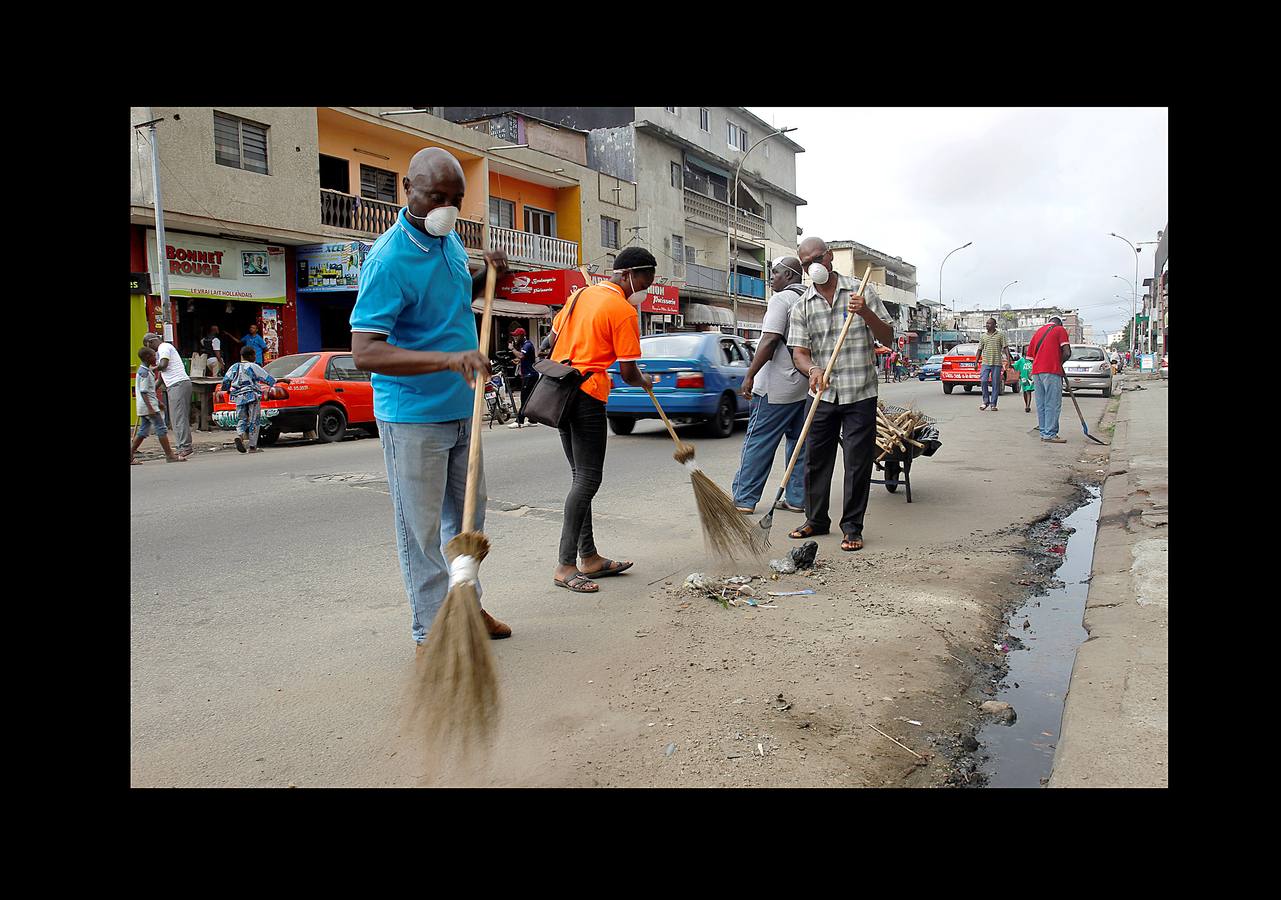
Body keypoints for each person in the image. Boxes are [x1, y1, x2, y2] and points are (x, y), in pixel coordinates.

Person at [349, 147, 511, 644]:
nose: (446, 208)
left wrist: (487, 276)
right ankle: (431, 633)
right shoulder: (388, 260)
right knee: (420, 535)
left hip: (464, 408)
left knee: (465, 525)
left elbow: (449, 305)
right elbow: (365, 352)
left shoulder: (449, 243)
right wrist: (447, 361)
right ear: (408, 189)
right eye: (436, 197)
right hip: (413, 416)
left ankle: (466, 606)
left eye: (455, 199)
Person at [547, 246, 656, 593]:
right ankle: (565, 565)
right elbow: (627, 372)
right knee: (588, 480)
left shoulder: (580, 297)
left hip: (560, 390)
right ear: (626, 274)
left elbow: (551, 339)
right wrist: (645, 381)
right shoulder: (622, 310)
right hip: (586, 394)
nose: (646, 290)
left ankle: (589, 557)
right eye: (645, 281)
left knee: (580, 477)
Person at [787, 237, 893, 552]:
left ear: (830, 257)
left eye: (817, 258)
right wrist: (812, 371)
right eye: (806, 264)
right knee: (815, 460)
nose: (813, 266)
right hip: (823, 392)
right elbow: (800, 353)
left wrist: (865, 315)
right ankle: (816, 520)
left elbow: (888, 335)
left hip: (859, 390)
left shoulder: (861, 292)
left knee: (857, 462)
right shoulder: (802, 305)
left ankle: (852, 528)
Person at [731, 256, 809, 514]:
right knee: (799, 442)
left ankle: (744, 498)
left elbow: (770, 339)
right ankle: (797, 499)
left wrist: (750, 375)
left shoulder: (782, 300)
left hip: (776, 387)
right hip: (805, 386)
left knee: (759, 441)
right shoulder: (811, 299)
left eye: (774, 273)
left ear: (788, 275)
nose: (771, 278)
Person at [131, 347, 186, 465]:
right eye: (153, 356)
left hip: (146, 406)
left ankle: (130, 455)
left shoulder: (145, 370)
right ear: (147, 358)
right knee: (161, 428)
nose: (155, 357)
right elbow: (144, 392)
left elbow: (148, 391)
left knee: (143, 431)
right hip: (148, 407)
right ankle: (169, 455)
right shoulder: (145, 373)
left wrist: (158, 402)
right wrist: (151, 407)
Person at [144, 332, 193, 459]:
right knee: (176, 417)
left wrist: (149, 368)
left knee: (179, 417)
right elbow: (162, 377)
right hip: (175, 385)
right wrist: (151, 388)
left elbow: (163, 365)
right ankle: (182, 446)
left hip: (178, 384)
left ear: (150, 342)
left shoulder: (163, 347)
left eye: (147, 347)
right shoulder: (163, 349)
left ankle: (185, 447)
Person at [220, 346, 277, 453]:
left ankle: (240, 435)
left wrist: (227, 390)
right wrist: (281, 380)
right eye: (254, 355)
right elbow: (267, 379)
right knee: (254, 420)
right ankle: (252, 446)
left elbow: (226, 381)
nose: (255, 357)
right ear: (251, 356)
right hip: (252, 396)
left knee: (242, 419)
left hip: (238, 397)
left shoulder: (234, 366)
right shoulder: (253, 366)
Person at [1026, 315, 1073, 443]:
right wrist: (1059, 363)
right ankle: (1050, 434)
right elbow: (1067, 352)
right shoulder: (1059, 330)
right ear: (1059, 324)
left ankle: (1043, 431)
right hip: (1051, 370)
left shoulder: (1038, 333)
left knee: (1041, 404)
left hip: (1037, 372)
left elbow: (1030, 357)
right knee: (1052, 403)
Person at [506, 326, 540, 429]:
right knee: (529, 398)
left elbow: (521, 355)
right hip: (529, 375)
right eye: (514, 336)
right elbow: (523, 358)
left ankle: (519, 420)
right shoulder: (524, 345)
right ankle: (532, 420)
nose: (515, 338)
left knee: (524, 398)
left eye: (516, 336)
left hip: (529, 376)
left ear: (522, 335)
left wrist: (512, 349)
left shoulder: (527, 345)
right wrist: (516, 361)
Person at [976, 317, 1010, 411]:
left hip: (996, 363)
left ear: (995, 325)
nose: (987, 325)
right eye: (986, 323)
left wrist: (1008, 359)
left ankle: (993, 404)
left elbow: (1005, 347)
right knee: (983, 381)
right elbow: (979, 349)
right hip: (985, 363)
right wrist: (976, 362)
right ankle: (985, 402)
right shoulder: (983, 336)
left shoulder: (1000, 335)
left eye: (989, 323)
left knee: (995, 384)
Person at [1013, 346, 1035, 413]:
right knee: (1025, 392)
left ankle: (1028, 406)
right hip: (1023, 378)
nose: (1028, 350)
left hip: (1030, 378)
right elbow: (1015, 366)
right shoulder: (1021, 360)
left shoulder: (1033, 360)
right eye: (1026, 349)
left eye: (1029, 349)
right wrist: (1010, 365)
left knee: (1028, 391)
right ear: (1023, 351)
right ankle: (1026, 404)